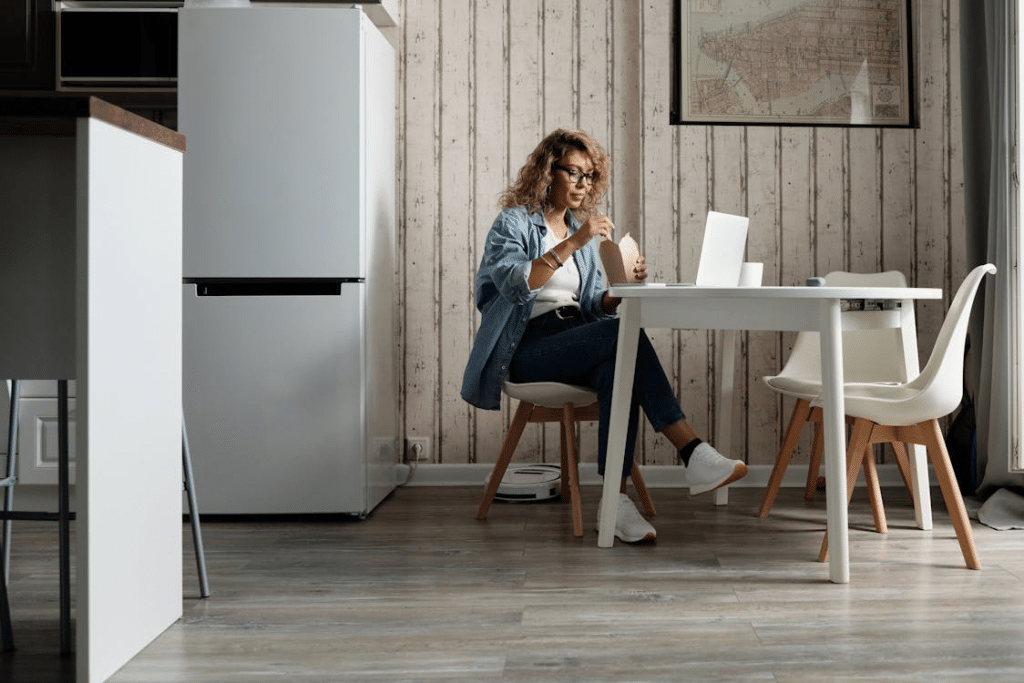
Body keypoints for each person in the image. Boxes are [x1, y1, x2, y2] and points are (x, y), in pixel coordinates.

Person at [461, 128, 748, 543]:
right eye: (574, 173)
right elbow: (516, 285)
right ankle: (691, 450)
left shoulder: (582, 230)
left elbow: (592, 304)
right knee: (622, 339)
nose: (583, 184)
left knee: (619, 365)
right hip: (525, 348)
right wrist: (575, 242)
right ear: (548, 171)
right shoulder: (516, 223)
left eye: (590, 176)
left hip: (575, 338)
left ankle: (615, 503)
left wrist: (621, 287)